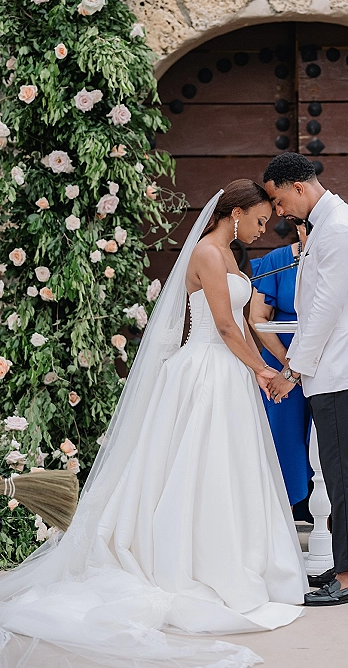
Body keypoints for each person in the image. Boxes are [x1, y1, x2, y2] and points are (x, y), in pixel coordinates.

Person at [0, 180, 307, 668]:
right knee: (193, 465)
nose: (263, 228)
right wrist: (264, 372)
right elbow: (224, 327)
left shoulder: (234, 257)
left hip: (229, 372)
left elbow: (250, 324)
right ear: (235, 214)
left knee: (230, 469)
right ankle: (186, 559)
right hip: (204, 371)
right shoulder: (207, 253)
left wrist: (286, 365)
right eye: (259, 219)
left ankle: (239, 557)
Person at [263, 153, 348, 607]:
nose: (277, 212)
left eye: (277, 200)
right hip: (329, 366)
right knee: (335, 469)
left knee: (340, 471)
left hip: (334, 368)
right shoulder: (326, 224)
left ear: (296, 186)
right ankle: (346, 566)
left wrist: (292, 371)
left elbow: (324, 312)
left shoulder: (338, 230)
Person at [249, 222, 314, 515]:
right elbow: (257, 317)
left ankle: (334, 525)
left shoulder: (342, 257)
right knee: (282, 437)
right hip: (281, 361)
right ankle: (282, 519)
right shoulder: (276, 261)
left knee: (329, 441)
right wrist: (290, 363)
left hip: (325, 360)